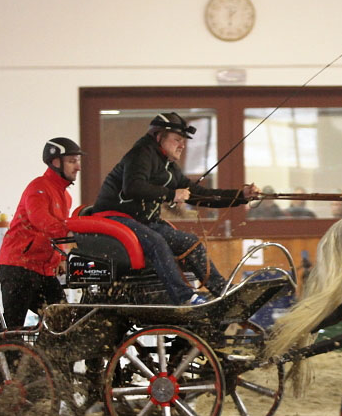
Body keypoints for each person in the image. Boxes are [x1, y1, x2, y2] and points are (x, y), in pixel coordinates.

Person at [92, 112, 259, 305]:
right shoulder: (141, 153)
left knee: (190, 241)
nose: (182, 145)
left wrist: (240, 196)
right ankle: (185, 298)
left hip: (141, 222)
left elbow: (197, 194)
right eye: (177, 139)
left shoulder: (169, 166)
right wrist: (172, 194)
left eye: (183, 140)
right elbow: (133, 187)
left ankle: (224, 293)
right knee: (157, 241)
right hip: (114, 218)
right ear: (158, 136)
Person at [0, 138, 83, 328]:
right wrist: (74, 232)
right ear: (55, 162)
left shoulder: (64, 196)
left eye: (78, 161)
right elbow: (42, 221)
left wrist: (60, 256)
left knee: (62, 319)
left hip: (43, 269)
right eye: (72, 161)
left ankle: (39, 356)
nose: (78, 167)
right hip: (19, 266)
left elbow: (56, 230)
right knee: (14, 325)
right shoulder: (38, 188)